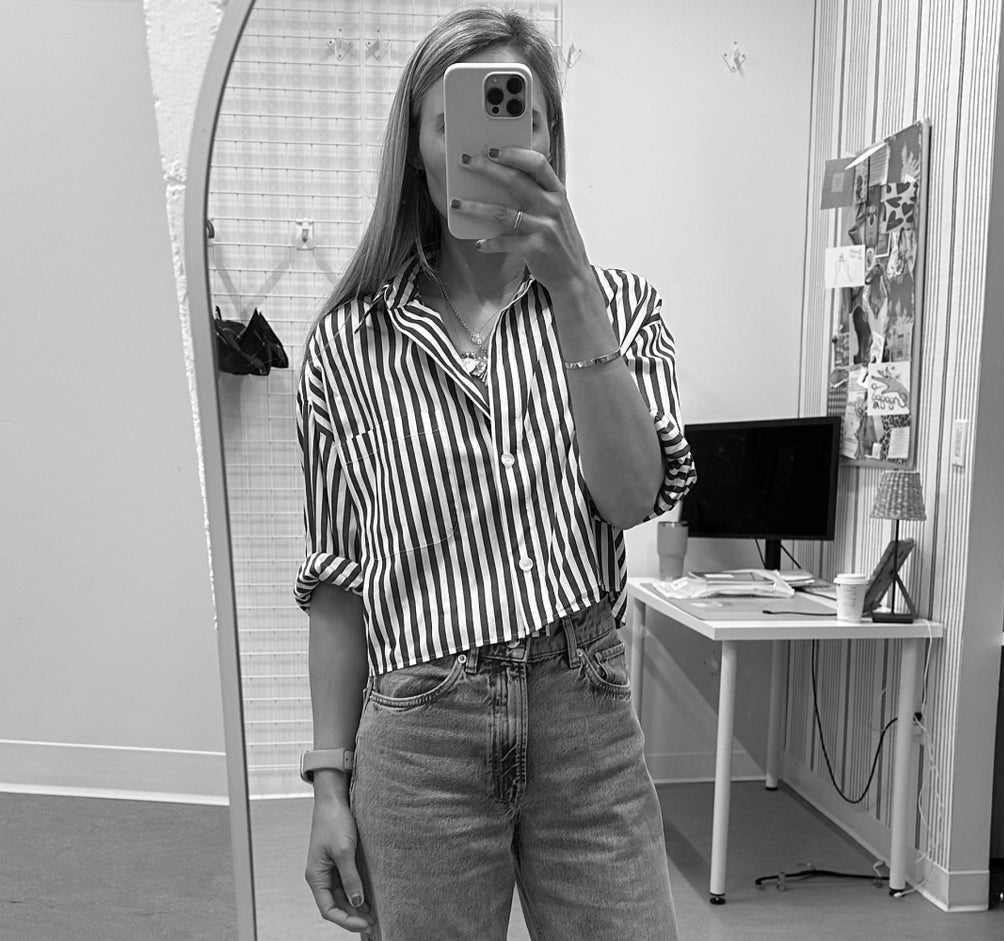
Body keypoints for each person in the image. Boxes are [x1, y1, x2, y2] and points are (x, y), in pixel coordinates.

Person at [292, 8, 695, 939]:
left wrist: (574, 290)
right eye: (454, 123)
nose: (489, 147)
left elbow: (632, 497)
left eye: (521, 119)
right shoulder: (349, 343)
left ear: (551, 140)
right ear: (418, 150)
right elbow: (338, 580)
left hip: (584, 718)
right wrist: (328, 784)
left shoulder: (621, 305)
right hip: (419, 735)